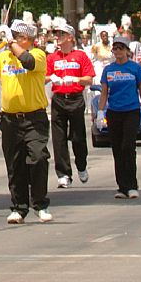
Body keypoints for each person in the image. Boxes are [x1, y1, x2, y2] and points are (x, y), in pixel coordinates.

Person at [0, 18, 52, 223]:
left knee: (38, 157)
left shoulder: (37, 55)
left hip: (34, 118)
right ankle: (19, 207)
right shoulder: (3, 58)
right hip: (10, 120)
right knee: (15, 164)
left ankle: (39, 204)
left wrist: (11, 43)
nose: (13, 41)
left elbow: (28, 63)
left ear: (27, 39)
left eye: (18, 38)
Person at [96, 34, 141, 199]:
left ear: (127, 51)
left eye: (121, 48)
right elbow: (104, 92)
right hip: (114, 112)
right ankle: (122, 186)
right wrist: (100, 112)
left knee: (128, 147)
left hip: (131, 112)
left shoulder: (135, 68)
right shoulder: (108, 70)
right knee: (117, 149)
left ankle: (132, 185)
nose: (118, 51)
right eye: (115, 48)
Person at [46, 19, 96, 189]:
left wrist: (75, 79)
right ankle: (63, 173)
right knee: (58, 138)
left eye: (62, 34)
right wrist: (52, 77)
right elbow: (43, 76)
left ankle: (81, 165)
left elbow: (89, 79)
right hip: (59, 99)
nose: (58, 37)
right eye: (57, 34)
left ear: (70, 37)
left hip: (75, 98)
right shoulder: (52, 57)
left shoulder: (80, 56)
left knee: (77, 136)